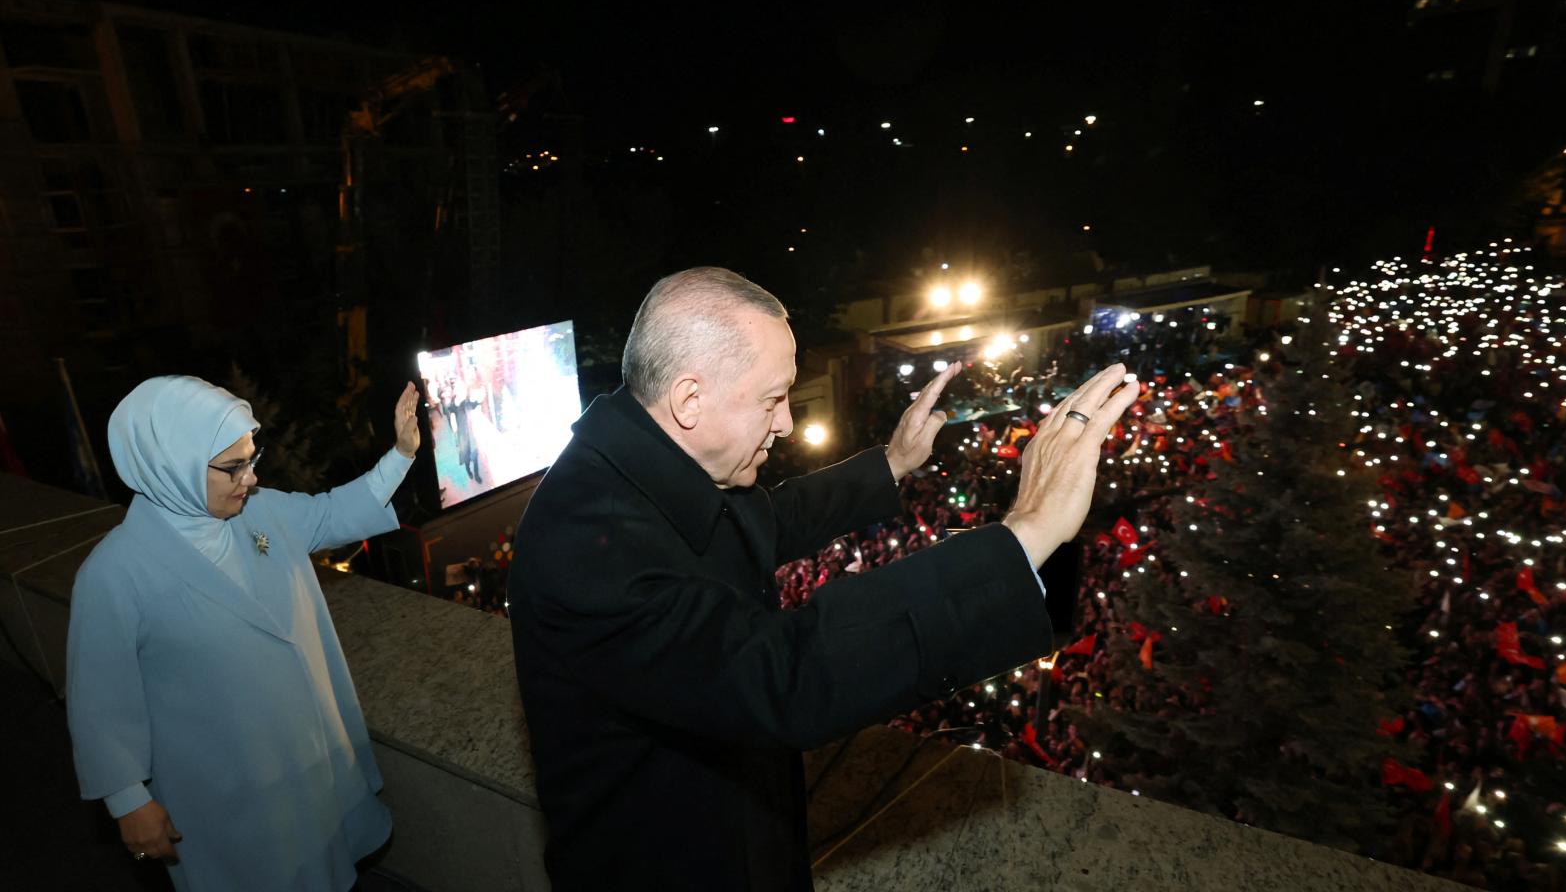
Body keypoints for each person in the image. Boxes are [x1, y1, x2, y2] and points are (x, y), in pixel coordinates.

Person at [508, 266, 1140, 890]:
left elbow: (768, 521)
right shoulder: (586, 541)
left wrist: (891, 464)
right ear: (689, 399)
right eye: (772, 398)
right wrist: (1024, 532)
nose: (785, 422)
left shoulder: (651, 461)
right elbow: (786, 675)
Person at [65, 375, 422, 891]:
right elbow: (99, 701)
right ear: (172, 465)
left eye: (252, 459)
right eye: (233, 466)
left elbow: (332, 512)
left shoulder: (262, 511)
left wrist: (402, 453)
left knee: (325, 865)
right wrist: (128, 802)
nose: (250, 478)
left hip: (305, 756)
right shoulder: (114, 573)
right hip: (226, 788)